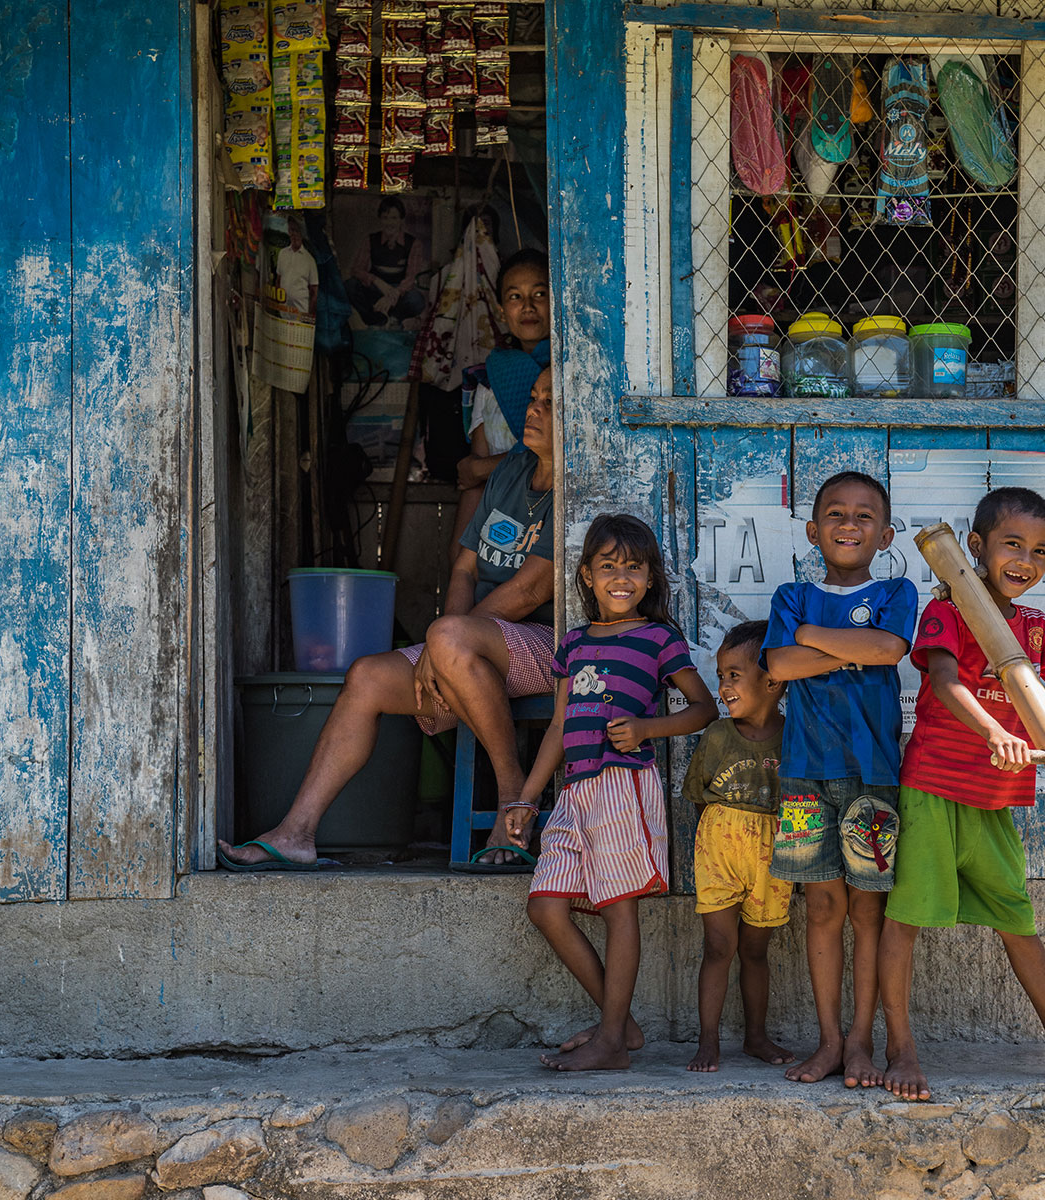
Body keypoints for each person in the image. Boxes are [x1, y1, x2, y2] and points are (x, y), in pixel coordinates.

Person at [218, 368, 559, 871]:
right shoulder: (510, 470)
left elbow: (532, 589)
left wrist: (444, 643)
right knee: (367, 676)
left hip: (545, 641)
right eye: (533, 398)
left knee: (446, 636)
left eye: (550, 403)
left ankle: (513, 802)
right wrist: (446, 646)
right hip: (471, 643)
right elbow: (464, 566)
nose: (534, 409)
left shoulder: (579, 486)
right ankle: (296, 832)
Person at [879, 486, 1045, 1101]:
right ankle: (901, 1048)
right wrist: (995, 731)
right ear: (976, 548)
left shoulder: (1038, 630)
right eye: (1012, 545)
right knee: (908, 920)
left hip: (995, 801)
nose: (1026, 560)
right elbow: (942, 681)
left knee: (1018, 924)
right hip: (935, 792)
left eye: (1041, 551)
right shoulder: (948, 614)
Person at [510, 514, 718, 1071]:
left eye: (633, 567)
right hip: (575, 792)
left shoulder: (658, 639)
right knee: (546, 907)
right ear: (586, 576)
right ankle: (619, 1024)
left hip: (623, 785)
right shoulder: (573, 642)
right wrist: (527, 800)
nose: (620, 577)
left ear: (649, 579)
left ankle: (609, 1041)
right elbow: (557, 726)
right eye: (608, 567)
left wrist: (648, 728)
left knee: (617, 908)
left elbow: (704, 708)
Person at [762, 472, 918, 1088]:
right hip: (804, 775)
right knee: (821, 906)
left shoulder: (897, 589)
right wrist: (857, 646)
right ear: (812, 530)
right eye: (835, 514)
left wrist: (815, 641)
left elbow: (891, 649)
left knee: (867, 912)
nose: (848, 525)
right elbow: (778, 664)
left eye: (862, 517)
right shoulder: (791, 594)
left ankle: (861, 1041)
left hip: (873, 775)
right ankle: (828, 1041)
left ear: (883, 533)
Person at [683, 619, 794, 1073]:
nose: (724, 685)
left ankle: (755, 1037)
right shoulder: (716, 737)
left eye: (734, 674)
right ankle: (707, 1041)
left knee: (754, 950)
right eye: (721, 674)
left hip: (774, 856)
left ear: (772, 680)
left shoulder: (793, 736)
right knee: (717, 947)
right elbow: (697, 798)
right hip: (720, 851)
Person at [454, 249, 551, 544]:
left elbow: (557, 456)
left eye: (539, 294)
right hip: (500, 524)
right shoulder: (490, 378)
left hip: (549, 520)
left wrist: (480, 468)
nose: (528, 307)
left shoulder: (574, 376)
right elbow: (474, 476)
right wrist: (460, 549)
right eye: (515, 297)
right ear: (500, 310)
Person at [347, 196, 427, 326]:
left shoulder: (413, 243)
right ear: (380, 219)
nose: (389, 223)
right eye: (385, 218)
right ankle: (374, 319)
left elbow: (412, 277)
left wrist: (393, 294)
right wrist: (377, 281)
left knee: (416, 300)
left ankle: (395, 319)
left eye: (394, 218)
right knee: (350, 286)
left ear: (401, 220)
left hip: (399, 293)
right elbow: (356, 270)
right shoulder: (370, 240)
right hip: (376, 289)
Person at [275, 218, 319, 321]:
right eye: (291, 230)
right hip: (284, 312)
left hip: (300, 314)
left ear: (301, 233)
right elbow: (278, 280)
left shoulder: (309, 260)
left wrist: (309, 316)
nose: (293, 234)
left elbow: (314, 292)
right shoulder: (282, 254)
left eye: (296, 230)